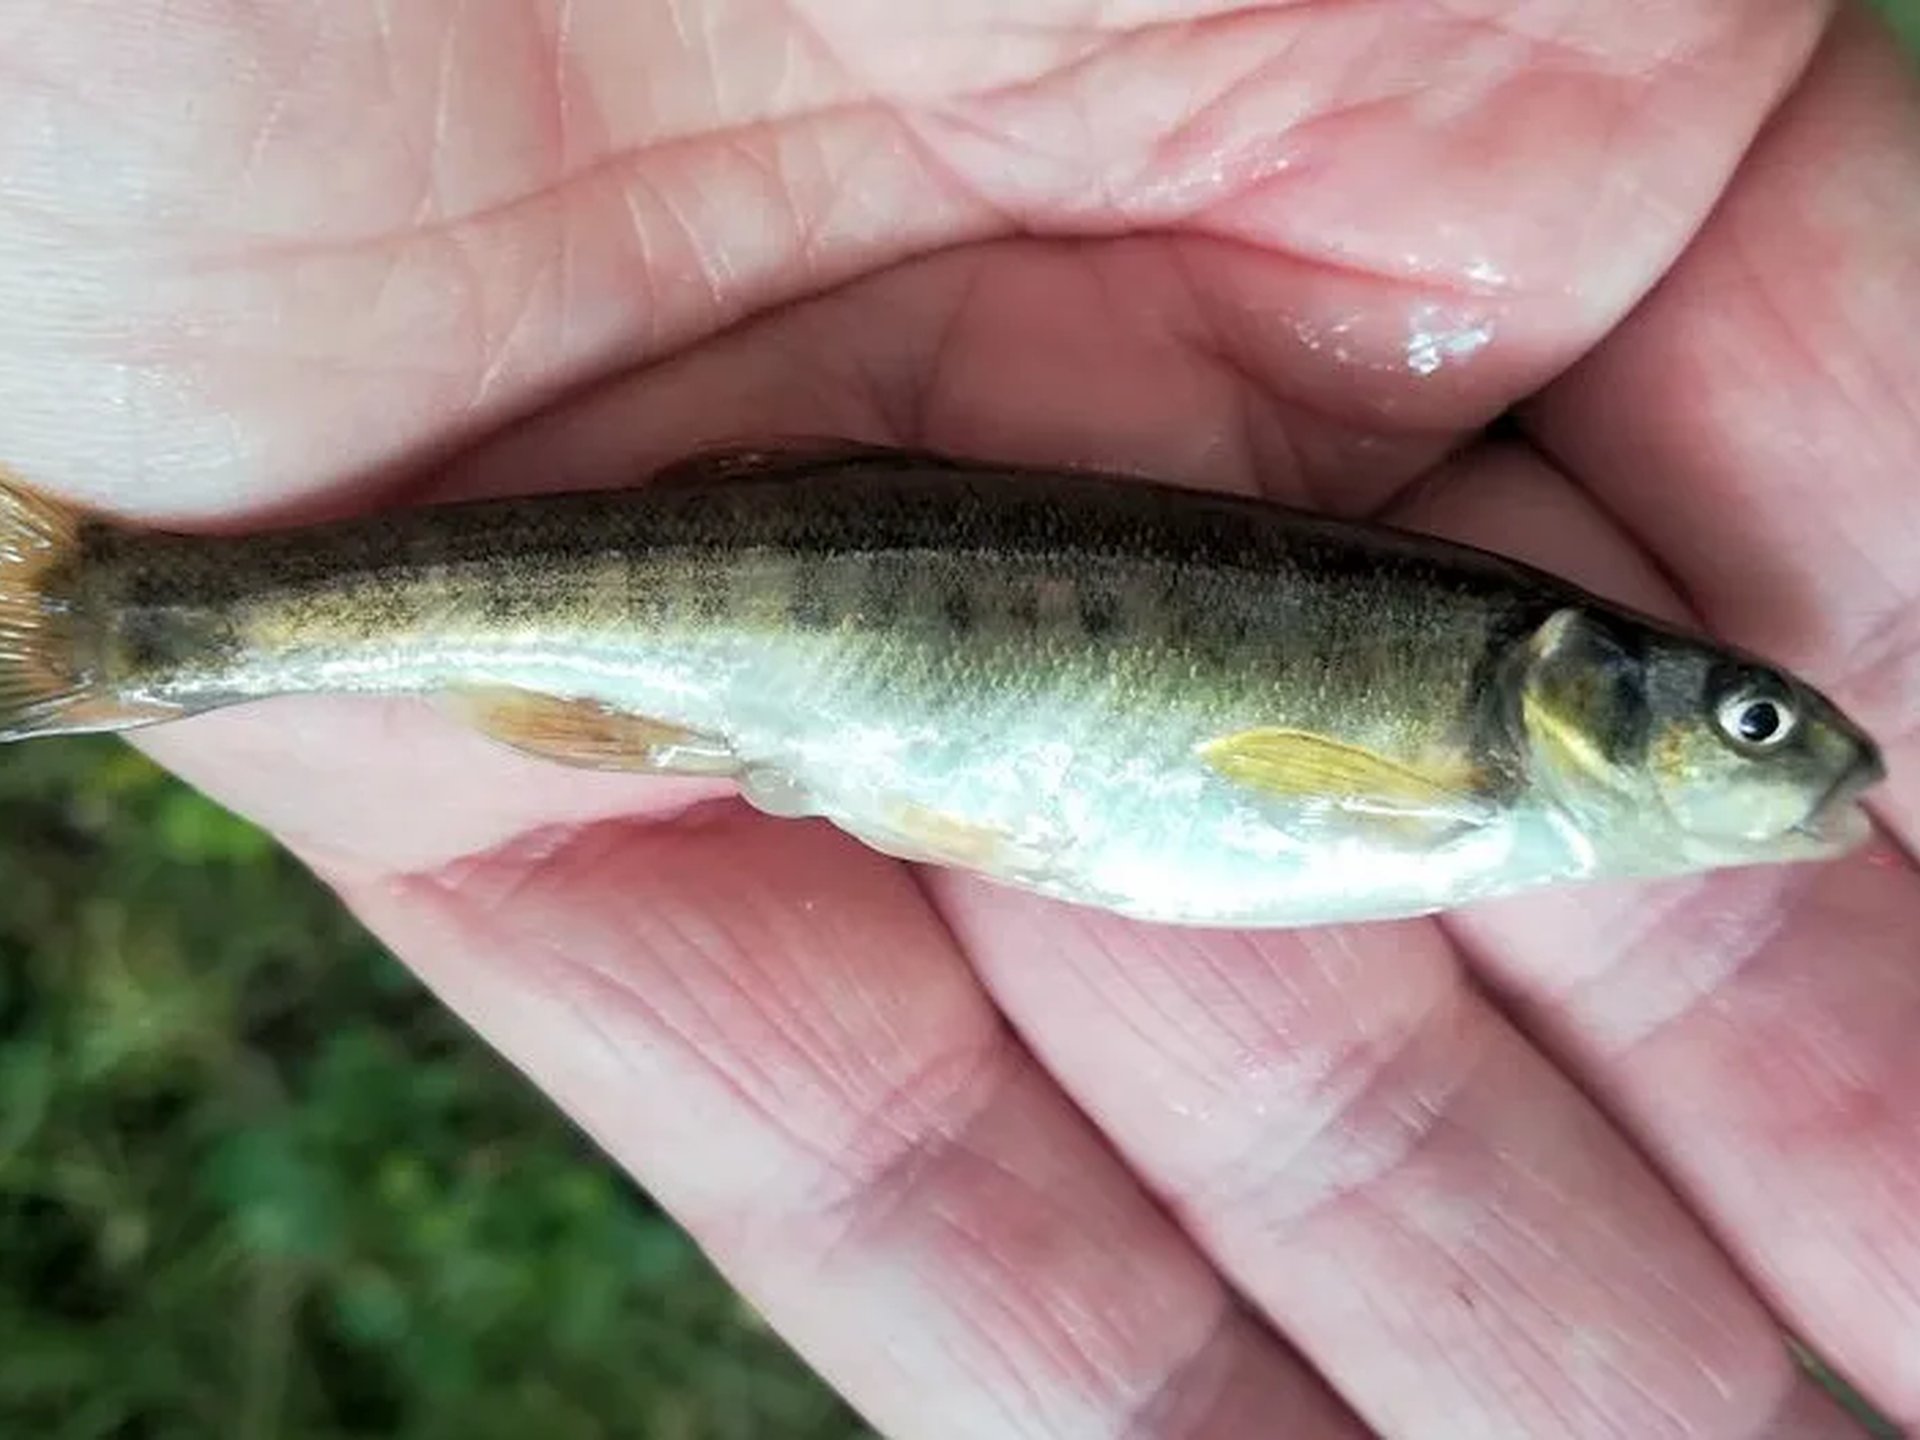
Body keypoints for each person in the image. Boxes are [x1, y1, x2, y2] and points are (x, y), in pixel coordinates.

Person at [5, 3, 1916, 1435]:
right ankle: (130, 618)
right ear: (1601, 699)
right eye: (1749, 725)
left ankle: (127, 620)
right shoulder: (1480, 747)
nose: (1805, 759)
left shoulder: (1491, 747)